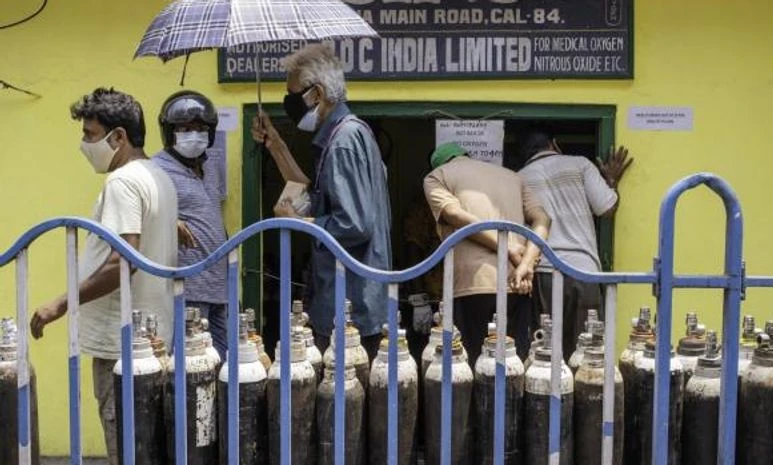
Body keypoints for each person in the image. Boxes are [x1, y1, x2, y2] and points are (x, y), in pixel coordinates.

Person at [29, 88, 177, 465]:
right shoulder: (158, 175)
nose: (84, 144)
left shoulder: (122, 182)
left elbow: (122, 260)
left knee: (125, 444)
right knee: (148, 445)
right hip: (155, 336)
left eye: (90, 135)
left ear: (119, 137)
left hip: (122, 342)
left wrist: (60, 303)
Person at [251, 43, 392, 360]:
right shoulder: (346, 135)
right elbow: (315, 197)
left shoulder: (343, 142)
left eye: (292, 95)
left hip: (351, 306)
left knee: (342, 404)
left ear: (316, 94)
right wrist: (276, 147)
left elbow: (353, 224)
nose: (288, 104)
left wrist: (298, 223)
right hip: (348, 303)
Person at [423, 142, 551, 366]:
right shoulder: (513, 176)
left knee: (474, 364)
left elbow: (453, 214)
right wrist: (527, 263)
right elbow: (543, 219)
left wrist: (508, 247)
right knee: (513, 364)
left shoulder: (437, 176)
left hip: (471, 285)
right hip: (518, 283)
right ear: (466, 156)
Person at [518, 131, 633, 360]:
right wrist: (611, 181)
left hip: (544, 273)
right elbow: (606, 208)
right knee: (587, 350)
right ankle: (583, 394)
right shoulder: (579, 164)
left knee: (546, 350)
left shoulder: (519, 177)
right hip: (584, 271)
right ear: (554, 144)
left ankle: (550, 394)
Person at [152, 90, 229, 360]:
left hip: (222, 289)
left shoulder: (209, 168)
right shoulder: (156, 169)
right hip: (188, 290)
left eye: (200, 128)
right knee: (192, 369)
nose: (194, 135)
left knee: (226, 368)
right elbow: (141, 210)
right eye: (185, 129)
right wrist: (168, 221)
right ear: (170, 132)